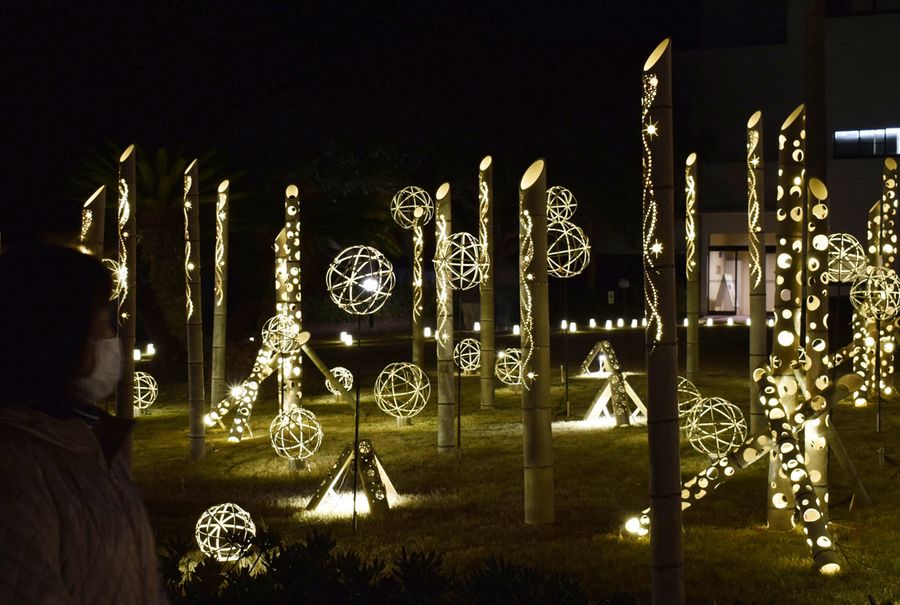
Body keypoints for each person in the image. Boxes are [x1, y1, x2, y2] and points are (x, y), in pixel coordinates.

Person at [0, 243, 167, 604]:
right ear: (56, 333)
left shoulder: (95, 443)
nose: (109, 338)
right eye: (101, 322)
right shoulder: (16, 466)